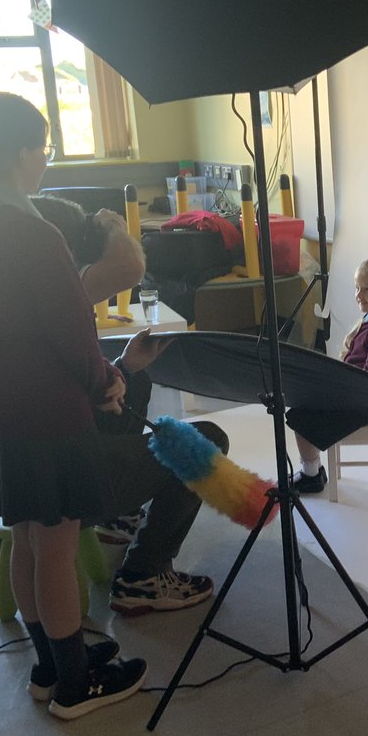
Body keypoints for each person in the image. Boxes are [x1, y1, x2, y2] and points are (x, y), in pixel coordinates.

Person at [0, 92, 146, 720]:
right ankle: (76, 685)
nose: (45, 160)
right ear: (21, 151)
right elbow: (71, 327)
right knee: (54, 545)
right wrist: (105, 379)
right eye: (42, 148)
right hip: (47, 412)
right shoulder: (31, 232)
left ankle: (49, 665)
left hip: (0, 408)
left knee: (26, 539)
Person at [29, 194, 229, 616]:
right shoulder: (60, 288)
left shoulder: (12, 298)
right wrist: (111, 225)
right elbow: (131, 266)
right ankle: (143, 576)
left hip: (38, 458)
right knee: (204, 441)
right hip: (69, 471)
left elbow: (70, 385)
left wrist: (120, 369)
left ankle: (116, 521)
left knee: (135, 380)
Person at [286, 256, 368, 494]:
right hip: (355, 393)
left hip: (366, 401)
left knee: (302, 415)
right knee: (300, 408)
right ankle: (313, 471)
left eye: (367, 289)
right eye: (357, 288)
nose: (359, 294)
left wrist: (335, 387)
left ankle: (312, 475)